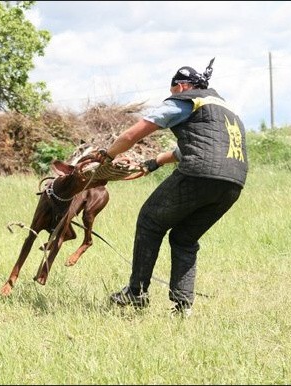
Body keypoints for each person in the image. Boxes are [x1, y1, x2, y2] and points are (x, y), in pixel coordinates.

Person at [94, 58, 248, 317]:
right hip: (233, 183)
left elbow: (133, 134)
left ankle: (136, 292)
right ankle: (183, 306)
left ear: (182, 86)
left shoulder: (186, 101)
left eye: (172, 90)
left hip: (200, 174)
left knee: (149, 220)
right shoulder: (225, 112)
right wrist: (152, 163)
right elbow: (187, 148)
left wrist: (107, 156)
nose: (171, 95)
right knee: (184, 238)